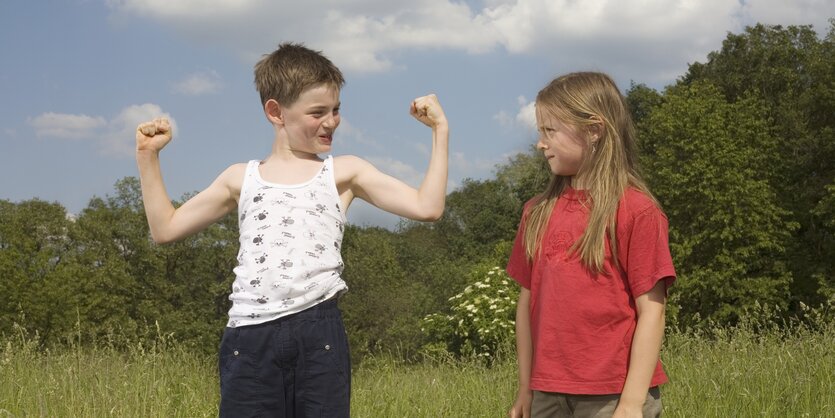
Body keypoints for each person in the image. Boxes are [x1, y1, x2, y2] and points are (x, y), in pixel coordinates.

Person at [134, 42, 449, 417]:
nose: (331, 121)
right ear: (275, 111)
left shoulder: (343, 172)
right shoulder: (240, 177)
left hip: (319, 334)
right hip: (249, 338)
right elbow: (165, 229)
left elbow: (427, 208)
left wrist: (440, 130)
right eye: (318, 112)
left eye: (336, 110)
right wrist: (147, 156)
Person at [505, 72, 676, 418]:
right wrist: (526, 388)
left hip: (613, 397)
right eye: (540, 132)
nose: (541, 142)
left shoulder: (637, 210)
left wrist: (631, 403)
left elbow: (652, 311)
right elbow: (526, 306)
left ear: (594, 130)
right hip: (547, 394)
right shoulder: (535, 212)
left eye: (549, 131)